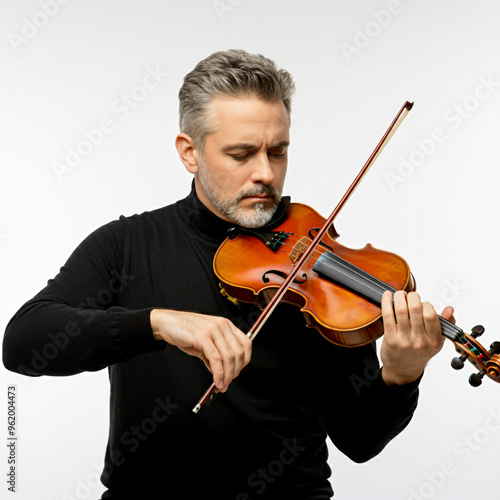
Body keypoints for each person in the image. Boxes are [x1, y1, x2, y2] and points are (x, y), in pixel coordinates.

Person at [3, 49, 454, 499]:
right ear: (189, 153)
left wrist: (400, 376)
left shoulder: (319, 269)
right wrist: (157, 323)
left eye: (278, 152)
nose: (265, 174)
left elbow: (359, 440)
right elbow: (24, 342)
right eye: (241, 154)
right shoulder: (126, 244)